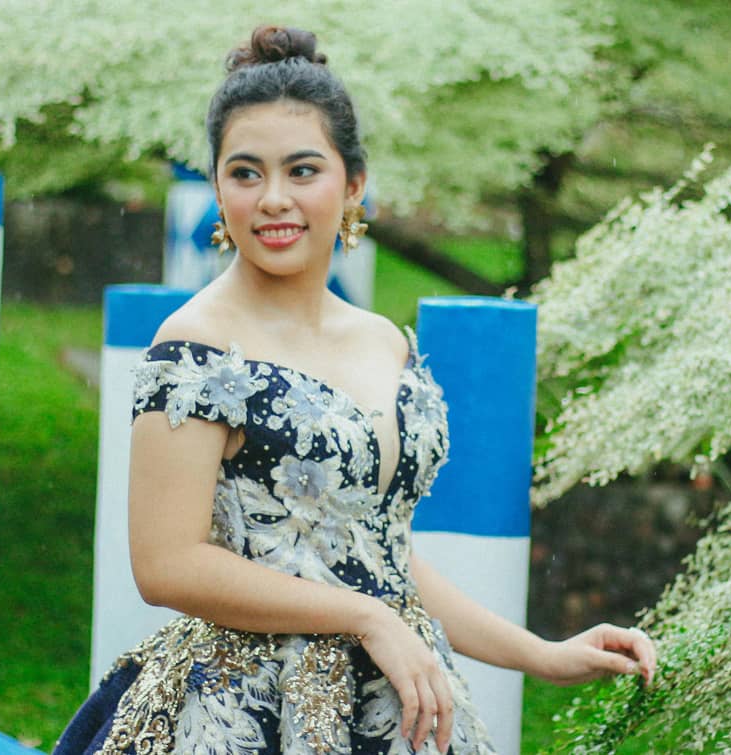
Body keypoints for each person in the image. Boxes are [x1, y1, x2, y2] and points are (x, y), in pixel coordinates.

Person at [54, 25, 656, 755]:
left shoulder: (385, 340)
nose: (273, 198)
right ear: (218, 187)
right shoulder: (195, 348)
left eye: (302, 170)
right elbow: (166, 562)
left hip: (396, 707)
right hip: (245, 714)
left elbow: (380, 556)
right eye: (245, 173)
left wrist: (543, 653)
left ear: (354, 184)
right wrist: (367, 618)